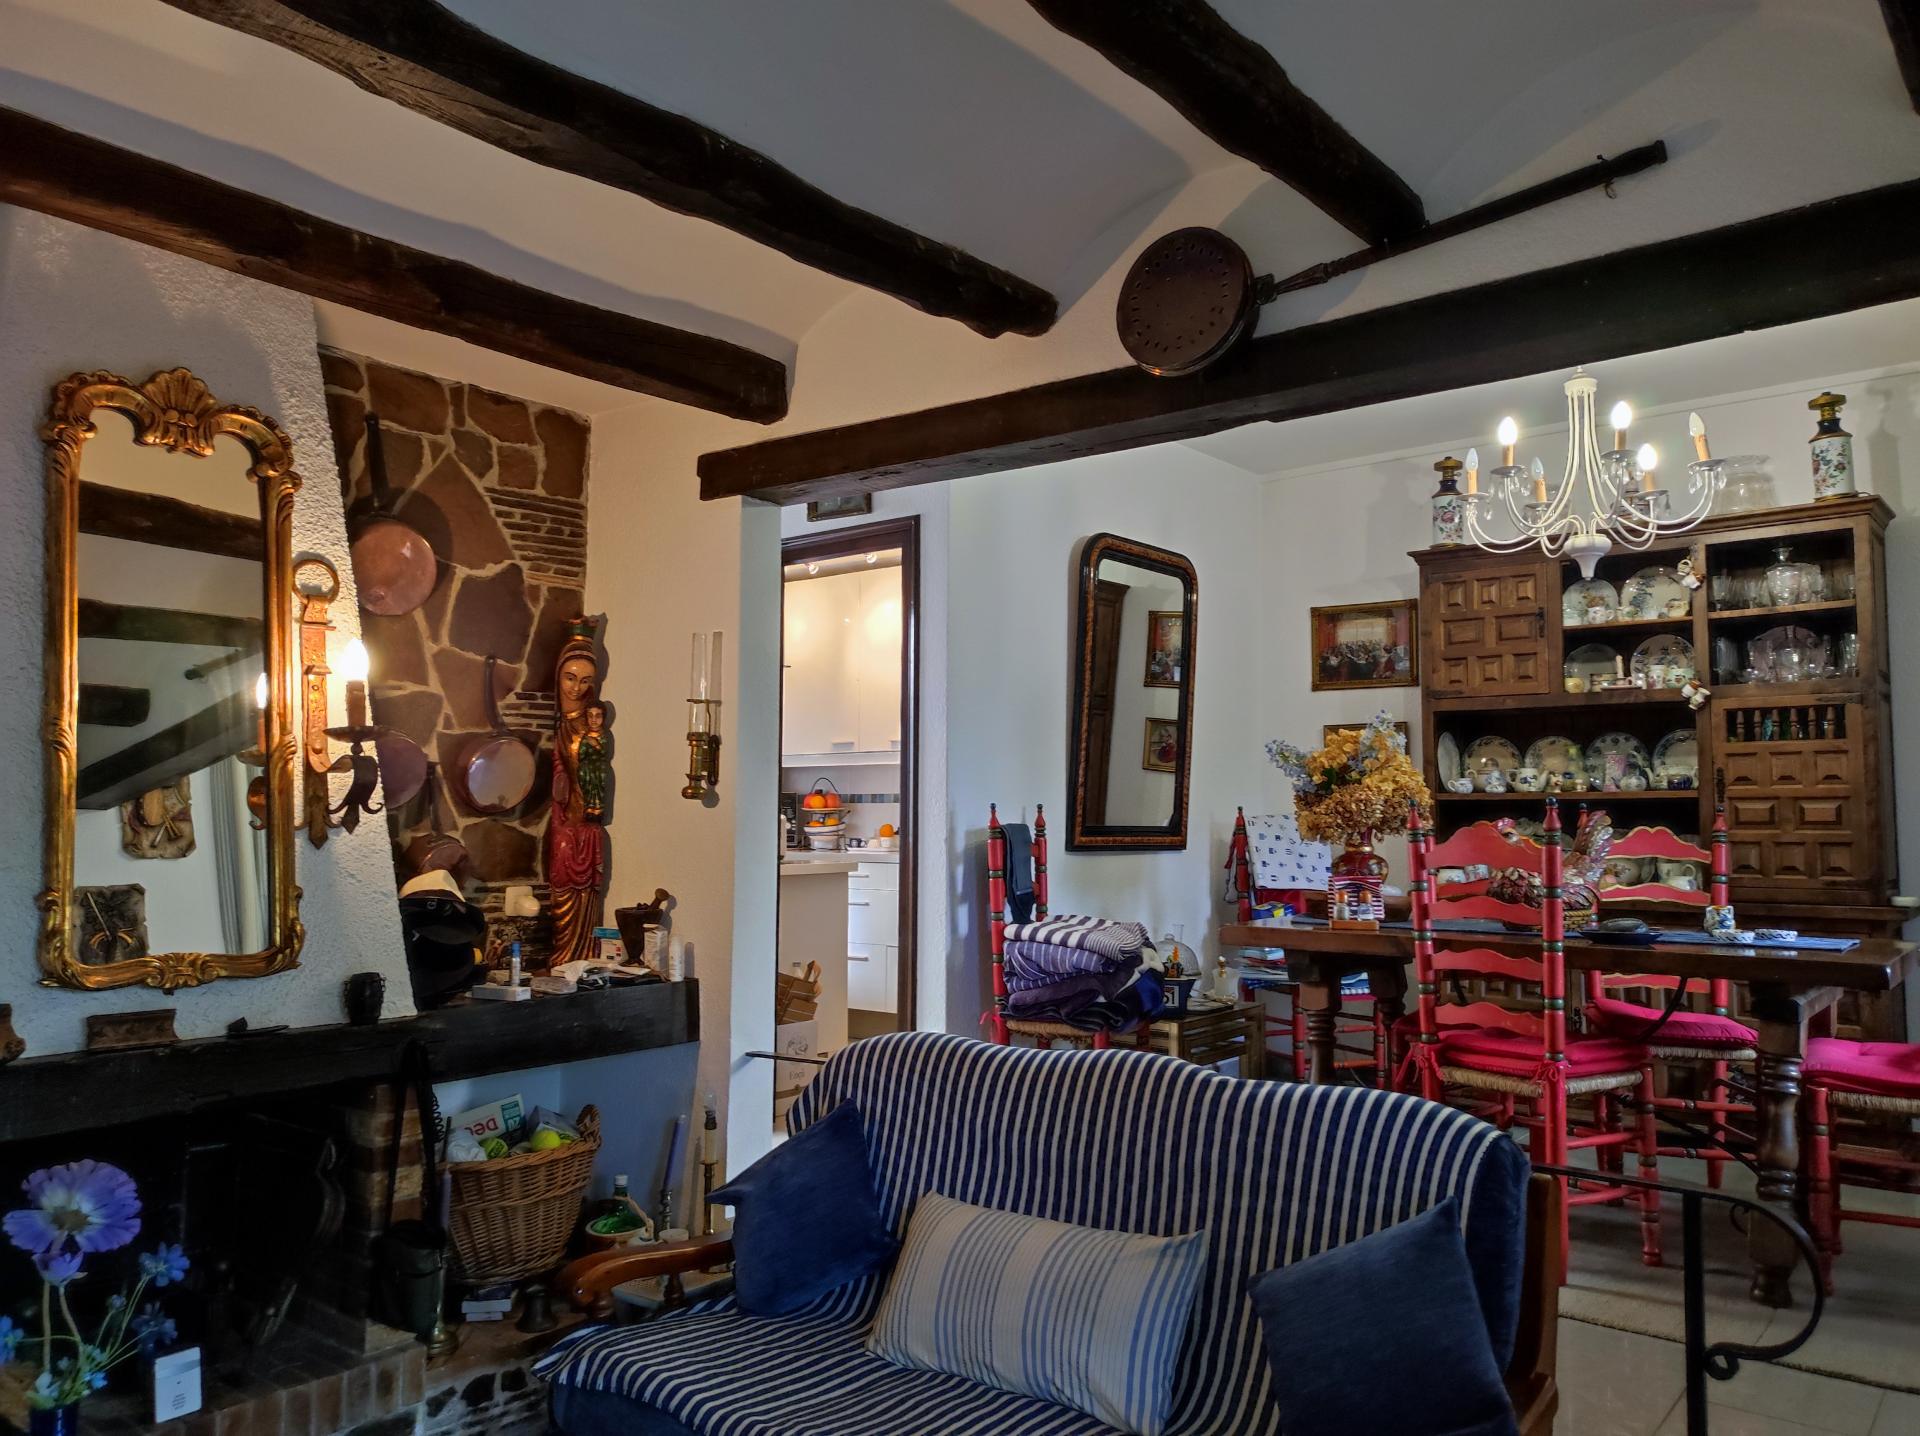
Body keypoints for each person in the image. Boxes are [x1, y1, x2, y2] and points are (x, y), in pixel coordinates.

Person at [547, 619, 608, 967]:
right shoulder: (562, 722)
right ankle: (563, 953)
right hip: (563, 817)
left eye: (585, 681)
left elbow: (595, 773)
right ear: (558, 675)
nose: (576, 687)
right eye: (570, 677)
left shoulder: (593, 727)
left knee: (583, 887)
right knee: (560, 879)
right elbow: (560, 764)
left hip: (586, 820)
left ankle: (581, 953)